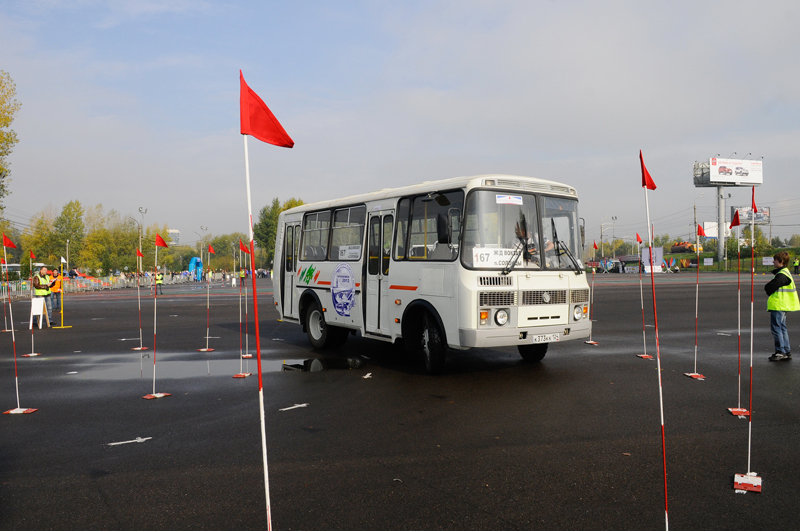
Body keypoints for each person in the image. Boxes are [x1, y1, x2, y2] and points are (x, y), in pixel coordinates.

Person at [764, 251, 800, 361]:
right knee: (782, 328)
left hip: (779, 304)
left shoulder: (782, 275)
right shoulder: (786, 273)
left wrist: (768, 287)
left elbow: (770, 287)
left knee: (777, 329)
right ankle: (786, 351)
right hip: (783, 304)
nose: (773, 261)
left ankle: (780, 351)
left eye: (775, 260)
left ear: (781, 262)